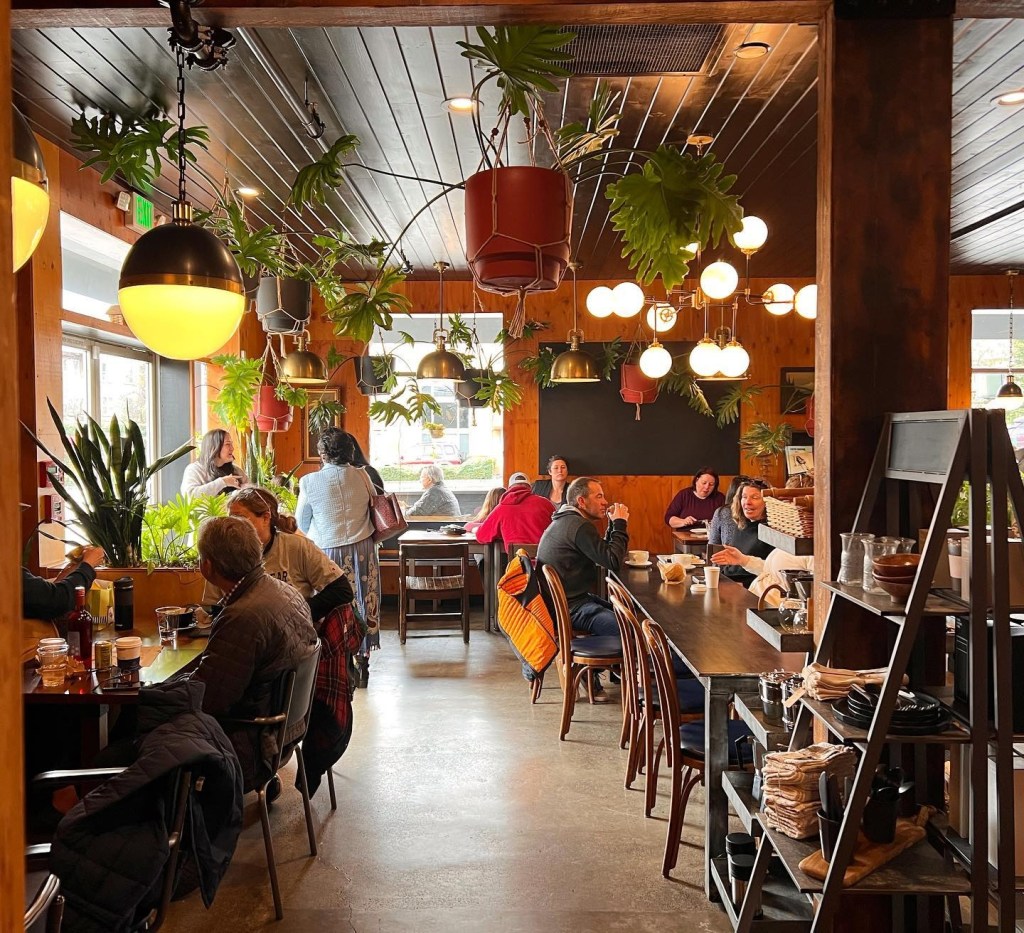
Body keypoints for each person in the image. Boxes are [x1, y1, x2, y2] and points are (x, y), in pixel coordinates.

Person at [227, 486, 362, 791]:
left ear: (266, 518)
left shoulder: (295, 548)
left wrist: (295, 611)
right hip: (249, 646)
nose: (234, 526)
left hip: (289, 655)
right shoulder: (231, 554)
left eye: (242, 518)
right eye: (230, 519)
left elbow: (342, 590)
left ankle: (251, 770)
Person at [191, 516, 317, 792]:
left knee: (132, 738)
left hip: (252, 741)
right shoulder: (285, 590)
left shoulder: (241, 616)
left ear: (207, 566)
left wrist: (154, 695)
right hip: (287, 729)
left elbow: (210, 700)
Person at [296, 428, 381, 685]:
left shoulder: (308, 482)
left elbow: (302, 522)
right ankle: (363, 660)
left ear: (322, 454)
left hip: (329, 550)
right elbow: (375, 506)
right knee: (365, 601)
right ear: (349, 451)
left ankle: (342, 662)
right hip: (363, 549)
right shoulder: (363, 476)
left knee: (336, 606)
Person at [536, 477, 628, 699]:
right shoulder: (578, 525)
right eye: (599, 496)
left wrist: (611, 528)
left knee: (627, 612)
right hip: (571, 608)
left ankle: (617, 672)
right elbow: (612, 561)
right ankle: (593, 675)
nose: (605, 502)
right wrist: (620, 524)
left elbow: (602, 554)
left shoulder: (567, 520)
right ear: (581, 501)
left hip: (569, 602)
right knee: (628, 627)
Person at [709, 479, 775, 586]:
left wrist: (743, 585)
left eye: (755, 497)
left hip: (752, 590)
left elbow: (773, 573)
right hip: (727, 583)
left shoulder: (773, 532)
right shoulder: (741, 525)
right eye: (744, 497)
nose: (747, 502)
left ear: (768, 501)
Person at [22, 544, 106, 620]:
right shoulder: (11, 577)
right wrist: (88, 565)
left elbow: (47, 595)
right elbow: (56, 600)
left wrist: (72, 571)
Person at [475, 472, 555, 550]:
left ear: (509, 488)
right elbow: (558, 532)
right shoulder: (545, 503)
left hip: (517, 562)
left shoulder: (501, 508)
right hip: (546, 561)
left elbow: (481, 536)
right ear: (530, 487)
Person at [181, 429, 248, 496]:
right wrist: (223, 482)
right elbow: (190, 495)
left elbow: (252, 492)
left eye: (231, 444)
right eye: (227, 444)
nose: (232, 448)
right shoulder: (194, 469)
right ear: (214, 447)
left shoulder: (236, 470)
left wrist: (246, 490)